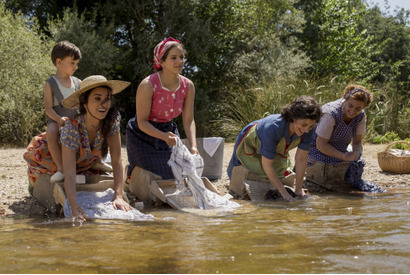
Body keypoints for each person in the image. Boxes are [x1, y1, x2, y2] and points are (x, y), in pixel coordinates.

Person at [24, 75, 132, 220]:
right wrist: (74, 207)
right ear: (84, 103)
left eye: (107, 99)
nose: (103, 104)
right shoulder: (72, 127)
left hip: (82, 160)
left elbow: (117, 160)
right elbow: (68, 173)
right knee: (51, 176)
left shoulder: (111, 121)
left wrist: (118, 195)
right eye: (97, 99)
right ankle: (33, 187)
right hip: (51, 155)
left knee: (88, 173)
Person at [126, 37, 198, 181]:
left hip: (169, 132)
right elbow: (142, 122)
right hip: (142, 135)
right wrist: (164, 137)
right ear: (161, 61)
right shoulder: (147, 85)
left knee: (180, 174)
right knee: (159, 177)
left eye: (181, 57)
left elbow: (189, 120)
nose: (179, 61)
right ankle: (132, 171)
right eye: (173, 58)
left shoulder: (188, 86)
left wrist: (194, 146)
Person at [227, 96, 322, 200]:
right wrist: (284, 193)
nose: (306, 130)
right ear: (294, 117)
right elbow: (267, 165)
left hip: (275, 148)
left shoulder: (308, 130)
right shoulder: (274, 127)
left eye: (310, 126)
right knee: (252, 173)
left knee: (281, 174)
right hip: (251, 143)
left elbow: (301, 159)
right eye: (304, 124)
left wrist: (298, 188)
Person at [44, 41, 82, 184]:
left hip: (77, 118)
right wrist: (59, 120)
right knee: (51, 131)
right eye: (72, 63)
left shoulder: (78, 82)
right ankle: (61, 169)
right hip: (57, 118)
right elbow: (48, 108)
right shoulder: (51, 83)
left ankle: (95, 160)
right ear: (59, 62)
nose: (75, 67)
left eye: (77, 63)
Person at [307, 84, 373, 166]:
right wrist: (345, 157)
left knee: (356, 165)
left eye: (358, 108)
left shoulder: (361, 116)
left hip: (340, 151)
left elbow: (357, 141)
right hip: (317, 151)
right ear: (345, 99)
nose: (352, 111)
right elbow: (321, 144)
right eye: (350, 106)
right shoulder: (330, 113)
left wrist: (356, 153)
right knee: (328, 170)